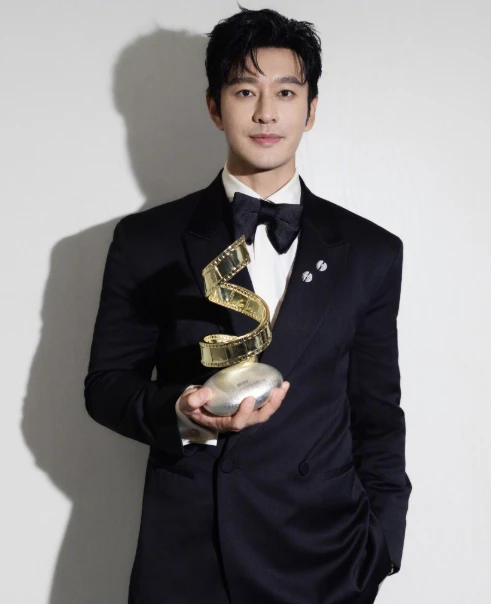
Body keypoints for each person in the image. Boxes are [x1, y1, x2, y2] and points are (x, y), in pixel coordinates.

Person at [84, 6, 411, 604]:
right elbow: (106, 386)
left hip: (324, 556)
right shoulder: (147, 240)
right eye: (244, 91)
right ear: (215, 106)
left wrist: (382, 545)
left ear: (310, 109)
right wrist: (184, 414)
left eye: (286, 92)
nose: (266, 112)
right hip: (192, 555)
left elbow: (377, 413)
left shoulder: (371, 251)